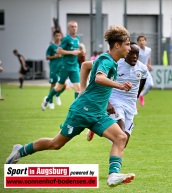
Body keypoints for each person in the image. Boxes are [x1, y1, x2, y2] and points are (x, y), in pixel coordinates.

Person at [6, 25, 135, 187]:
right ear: (117, 45)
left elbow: (85, 66)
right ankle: (20, 150)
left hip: (98, 114)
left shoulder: (111, 62)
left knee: (121, 137)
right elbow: (99, 78)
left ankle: (113, 175)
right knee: (56, 144)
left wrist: (81, 89)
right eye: (127, 44)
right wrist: (120, 85)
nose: (129, 48)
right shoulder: (105, 60)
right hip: (82, 111)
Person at [86, 42, 148, 147]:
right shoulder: (115, 64)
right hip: (116, 99)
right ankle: (114, 162)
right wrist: (107, 102)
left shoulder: (142, 68)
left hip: (130, 105)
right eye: (131, 53)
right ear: (126, 53)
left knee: (123, 143)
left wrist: (136, 98)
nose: (134, 56)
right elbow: (97, 75)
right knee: (120, 134)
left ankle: (97, 128)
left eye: (137, 54)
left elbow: (143, 81)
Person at [41, 20, 82, 110]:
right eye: (72, 26)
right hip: (65, 66)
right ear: (68, 28)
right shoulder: (66, 39)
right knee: (59, 87)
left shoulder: (78, 39)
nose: (74, 28)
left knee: (78, 88)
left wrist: (80, 52)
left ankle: (76, 109)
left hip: (74, 67)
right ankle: (47, 99)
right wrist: (72, 52)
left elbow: (76, 50)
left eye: (75, 26)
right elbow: (59, 51)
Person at [45, 30, 64, 109]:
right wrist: (55, 56)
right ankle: (50, 101)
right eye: (56, 36)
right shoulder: (51, 46)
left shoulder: (63, 45)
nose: (58, 37)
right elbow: (47, 57)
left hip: (62, 68)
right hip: (54, 68)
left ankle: (57, 95)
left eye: (59, 35)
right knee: (53, 85)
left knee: (64, 85)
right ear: (54, 36)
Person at [137, 35, 154, 107]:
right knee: (136, 88)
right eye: (140, 40)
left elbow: (149, 58)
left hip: (146, 70)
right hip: (138, 71)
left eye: (143, 40)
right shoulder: (137, 50)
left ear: (145, 41)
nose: (141, 42)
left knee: (150, 84)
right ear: (138, 42)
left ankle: (141, 95)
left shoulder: (148, 50)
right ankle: (134, 106)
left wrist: (149, 65)